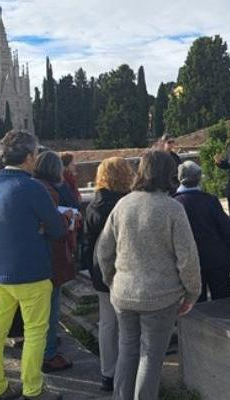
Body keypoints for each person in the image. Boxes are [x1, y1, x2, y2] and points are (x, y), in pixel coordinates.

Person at [96, 150, 201, 400]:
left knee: (128, 350)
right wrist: (192, 292)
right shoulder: (172, 209)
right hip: (160, 295)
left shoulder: (123, 204)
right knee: (151, 357)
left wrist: (111, 279)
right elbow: (188, 257)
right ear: (169, 175)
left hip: (124, 293)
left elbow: (103, 249)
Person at [0, 130, 68, 400]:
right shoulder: (32, 187)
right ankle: (33, 389)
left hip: (0, 271)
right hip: (32, 271)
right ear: (30, 157)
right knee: (34, 333)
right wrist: (44, 225)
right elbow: (57, 229)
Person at [82, 157, 134, 392]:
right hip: (125, 268)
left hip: (100, 269)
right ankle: (127, 373)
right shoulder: (128, 203)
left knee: (107, 323)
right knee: (127, 325)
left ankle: (108, 373)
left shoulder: (94, 205)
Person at [33, 151, 77, 374]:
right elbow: (55, 228)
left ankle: (45, 349)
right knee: (49, 309)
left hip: (37, 257)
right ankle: (49, 354)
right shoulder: (49, 191)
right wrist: (68, 217)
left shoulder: (34, 185)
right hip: (51, 258)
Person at [173, 161, 230, 302]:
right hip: (216, 257)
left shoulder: (174, 204)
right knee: (222, 303)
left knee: (195, 306)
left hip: (188, 262)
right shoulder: (210, 200)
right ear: (199, 178)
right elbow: (229, 229)